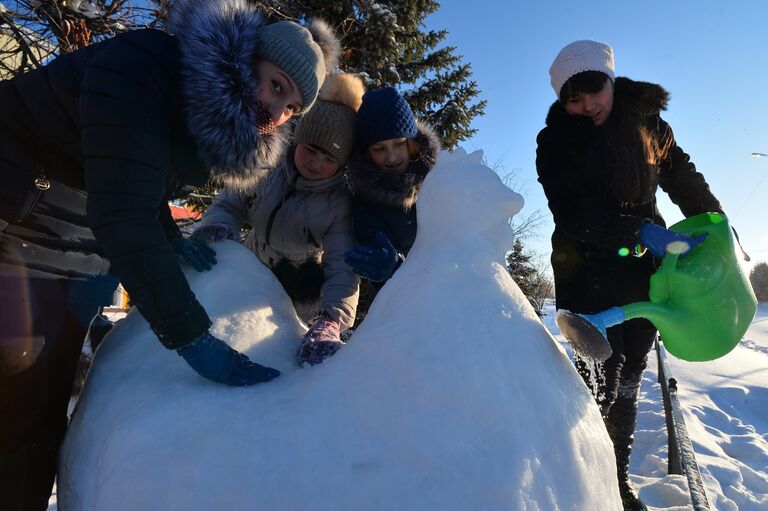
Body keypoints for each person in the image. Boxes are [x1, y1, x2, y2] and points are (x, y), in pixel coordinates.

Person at [0, 0, 340, 506]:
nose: (275, 109)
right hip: (17, 221)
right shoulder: (145, 68)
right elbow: (123, 209)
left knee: (42, 409)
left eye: (289, 104)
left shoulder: (197, 115)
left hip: (72, 243)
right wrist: (193, 339)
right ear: (244, 59)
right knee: (15, 405)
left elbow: (143, 183)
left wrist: (169, 238)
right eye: (273, 83)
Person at [536, 40, 724, 510]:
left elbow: (681, 176)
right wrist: (636, 227)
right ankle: (574, 482)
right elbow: (571, 214)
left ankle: (615, 483)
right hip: (583, 264)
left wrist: (717, 222)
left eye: (592, 91)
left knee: (632, 372)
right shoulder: (555, 141)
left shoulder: (648, 122)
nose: (585, 106)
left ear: (610, 80)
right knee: (600, 372)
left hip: (642, 268)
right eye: (572, 99)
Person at [193, 73, 364, 367]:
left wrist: (331, 320)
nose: (316, 163)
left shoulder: (338, 204)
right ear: (298, 139)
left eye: (329, 159)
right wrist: (218, 227)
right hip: (253, 270)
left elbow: (343, 268)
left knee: (277, 355)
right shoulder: (268, 165)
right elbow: (231, 202)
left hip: (302, 294)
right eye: (311, 150)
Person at [344, 87, 440, 313]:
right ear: (367, 152)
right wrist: (390, 268)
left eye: (399, 143)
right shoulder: (366, 202)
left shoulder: (440, 179)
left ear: (413, 142)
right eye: (379, 148)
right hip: (407, 310)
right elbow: (376, 248)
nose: (392, 157)